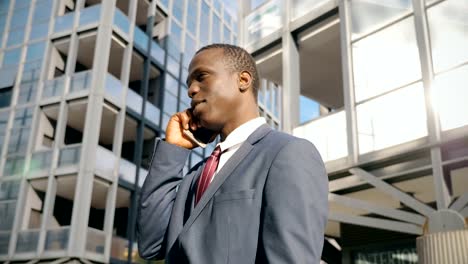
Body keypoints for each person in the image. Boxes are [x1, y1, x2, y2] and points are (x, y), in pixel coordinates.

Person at [137, 44, 328, 263]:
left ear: (243, 80)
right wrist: (173, 150)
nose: (191, 90)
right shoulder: (193, 177)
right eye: (189, 84)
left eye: (201, 77)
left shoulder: (288, 153)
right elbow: (151, 245)